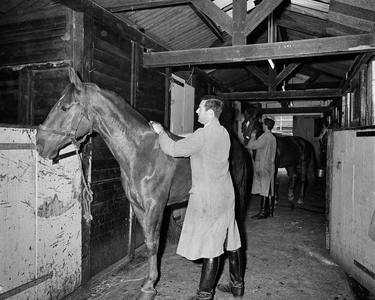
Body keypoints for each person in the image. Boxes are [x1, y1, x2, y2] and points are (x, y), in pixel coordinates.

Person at [150, 95, 244, 300]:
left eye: (199, 108)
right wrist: (175, 134)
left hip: (209, 196)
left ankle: (204, 295)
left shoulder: (202, 135)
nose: (196, 111)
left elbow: (173, 149)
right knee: (231, 239)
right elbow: (193, 139)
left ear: (210, 112)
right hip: (226, 193)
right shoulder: (223, 132)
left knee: (211, 245)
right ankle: (237, 287)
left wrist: (160, 132)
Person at [246, 117, 277, 219]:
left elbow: (251, 146)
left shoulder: (264, 137)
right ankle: (269, 211)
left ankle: (263, 212)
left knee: (264, 189)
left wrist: (253, 137)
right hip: (270, 165)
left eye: (263, 124)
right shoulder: (273, 137)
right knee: (268, 189)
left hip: (263, 166)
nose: (262, 126)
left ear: (267, 125)